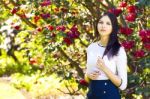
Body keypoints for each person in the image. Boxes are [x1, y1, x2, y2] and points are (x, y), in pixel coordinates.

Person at [85, 12, 128, 99]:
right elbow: (86, 76)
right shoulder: (91, 47)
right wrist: (88, 75)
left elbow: (123, 85)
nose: (103, 26)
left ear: (113, 28)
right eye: (101, 22)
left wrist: (104, 68)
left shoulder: (119, 50)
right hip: (92, 95)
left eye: (108, 23)